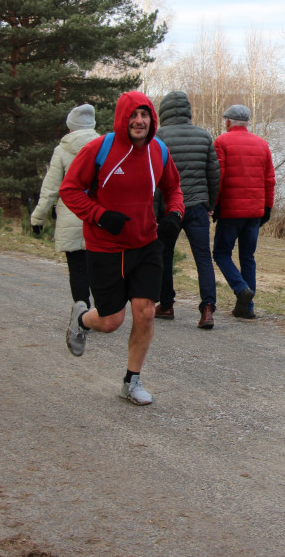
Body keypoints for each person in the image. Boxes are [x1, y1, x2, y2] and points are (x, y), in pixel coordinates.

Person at [59, 91, 184, 406]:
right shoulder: (98, 149)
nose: (139, 121)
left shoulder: (159, 150)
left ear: (152, 119)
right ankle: (82, 320)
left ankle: (132, 381)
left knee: (145, 314)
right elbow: (69, 190)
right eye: (133, 115)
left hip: (146, 244)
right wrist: (100, 216)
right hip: (106, 247)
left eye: (144, 114)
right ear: (122, 118)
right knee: (111, 321)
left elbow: (173, 188)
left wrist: (175, 214)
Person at [153, 91, 220, 329]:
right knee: (203, 257)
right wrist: (210, 204)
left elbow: (155, 179)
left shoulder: (159, 137)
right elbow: (214, 175)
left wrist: (155, 211)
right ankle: (208, 309)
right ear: (188, 110)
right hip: (198, 207)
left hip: (170, 209)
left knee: (165, 255)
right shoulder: (203, 135)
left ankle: (167, 304)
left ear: (164, 111)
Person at [30, 104, 100, 310]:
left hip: (72, 216)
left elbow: (50, 188)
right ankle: (103, 312)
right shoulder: (106, 146)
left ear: (72, 126)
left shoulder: (61, 150)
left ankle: (82, 313)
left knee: (78, 269)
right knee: (99, 269)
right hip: (100, 218)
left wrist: (38, 217)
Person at [212, 104, 275, 319]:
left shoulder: (221, 142)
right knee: (247, 256)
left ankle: (241, 289)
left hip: (230, 211)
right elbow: (269, 180)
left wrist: (214, 206)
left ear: (228, 121)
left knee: (221, 253)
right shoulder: (262, 144)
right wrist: (267, 207)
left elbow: (217, 178)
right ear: (247, 122)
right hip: (255, 211)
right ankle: (247, 308)